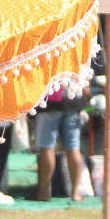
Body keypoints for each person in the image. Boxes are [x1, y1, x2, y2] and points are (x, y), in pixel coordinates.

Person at [33, 74, 87, 204]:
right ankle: (75, 192)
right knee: (73, 147)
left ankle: (44, 192)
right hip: (74, 98)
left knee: (47, 147)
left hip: (51, 100)